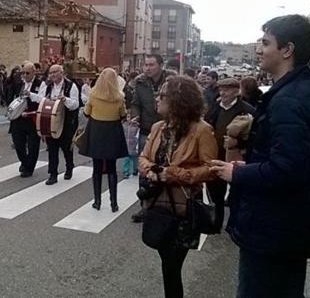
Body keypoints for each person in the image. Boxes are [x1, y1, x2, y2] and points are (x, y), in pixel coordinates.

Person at [210, 15, 310, 298]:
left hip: (274, 229)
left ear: (287, 50)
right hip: (291, 227)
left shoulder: (289, 101)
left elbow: (288, 170)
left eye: (266, 43)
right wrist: (252, 166)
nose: (259, 49)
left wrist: (238, 174)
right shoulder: (305, 93)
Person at [139, 75, 217, 298]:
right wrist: (152, 171)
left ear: (177, 100)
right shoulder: (157, 127)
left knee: (172, 267)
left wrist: (173, 174)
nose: (157, 99)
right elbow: (143, 157)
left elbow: (210, 169)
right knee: (166, 261)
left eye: (162, 95)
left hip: (183, 209)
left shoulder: (201, 130)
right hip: (157, 203)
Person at [204, 78, 255, 233]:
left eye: (227, 89)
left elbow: (253, 135)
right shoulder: (214, 108)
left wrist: (238, 143)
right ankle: (216, 223)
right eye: (221, 89)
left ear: (236, 90)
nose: (223, 93)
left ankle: (234, 224)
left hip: (236, 157)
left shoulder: (246, 109)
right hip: (216, 155)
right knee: (215, 192)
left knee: (236, 193)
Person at [130, 54, 173, 222]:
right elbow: (135, 103)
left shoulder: (172, 82)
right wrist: (136, 116)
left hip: (169, 130)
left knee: (165, 169)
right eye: (146, 64)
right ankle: (145, 207)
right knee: (144, 169)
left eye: (151, 64)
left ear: (161, 65)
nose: (147, 68)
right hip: (146, 130)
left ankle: (165, 205)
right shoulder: (140, 82)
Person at [79, 68, 128, 212]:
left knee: (97, 168)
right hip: (112, 131)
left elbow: (87, 112)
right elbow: (122, 114)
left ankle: (97, 201)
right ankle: (114, 203)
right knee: (112, 169)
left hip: (96, 132)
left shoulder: (93, 95)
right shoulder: (119, 98)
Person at [31, 65, 80, 185]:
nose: (52, 75)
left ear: (62, 73)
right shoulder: (48, 87)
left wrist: (65, 100)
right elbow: (41, 99)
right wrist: (30, 95)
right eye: (51, 73)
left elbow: (76, 104)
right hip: (51, 122)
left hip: (67, 121)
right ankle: (53, 174)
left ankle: (69, 166)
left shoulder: (71, 86)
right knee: (52, 148)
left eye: (55, 72)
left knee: (66, 147)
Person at [10, 62, 43, 178]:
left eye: (27, 73)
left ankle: (29, 168)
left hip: (32, 118)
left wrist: (30, 94)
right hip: (18, 118)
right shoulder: (19, 84)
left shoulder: (41, 84)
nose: (24, 75)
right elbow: (12, 97)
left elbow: (42, 100)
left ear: (34, 73)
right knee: (18, 144)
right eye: (23, 73)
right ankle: (24, 162)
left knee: (33, 145)